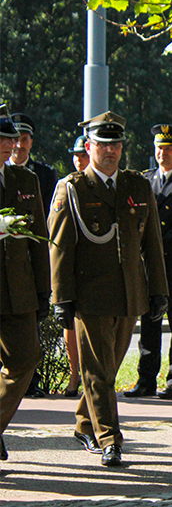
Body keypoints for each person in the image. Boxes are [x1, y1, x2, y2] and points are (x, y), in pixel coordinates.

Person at [48, 111, 168, 467]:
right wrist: (61, 297)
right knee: (99, 371)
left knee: (107, 368)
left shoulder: (136, 185)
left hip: (129, 294)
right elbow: (60, 247)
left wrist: (158, 290)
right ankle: (110, 439)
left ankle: (85, 423)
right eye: (103, 145)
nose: (111, 151)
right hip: (90, 295)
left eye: (116, 145)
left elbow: (152, 244)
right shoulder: (73, 188)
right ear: (89, 147)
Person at [124, 125, 172, 400]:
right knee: (148, 322)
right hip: (147, 266)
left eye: (169, 148)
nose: (163, 153)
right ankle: (146, 379)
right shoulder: (145, 181)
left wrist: (157, 246)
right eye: (159, 148)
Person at [0, 108, 50, 465]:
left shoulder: (25, 179)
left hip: (17, 290)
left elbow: (39, 240)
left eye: (9, 139)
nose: (7, 146)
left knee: (25, 359)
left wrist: (43, 291)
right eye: (0, 140)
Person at [9, 113, 58, 398]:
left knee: (31, 330)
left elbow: (46, 220)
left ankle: (33, 381)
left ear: (31, 142)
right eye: (14, 140)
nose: (18, 146)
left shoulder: (43, 174)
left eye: (24, 140)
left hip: (30, 262)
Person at [63, 134, 89, 397]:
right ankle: (74, 376)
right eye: (76, 155)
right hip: (72, 265)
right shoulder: (66, 185)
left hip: (93, 266)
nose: (79, 160)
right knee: (69, 325)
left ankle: (94, 377)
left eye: (83, 154)